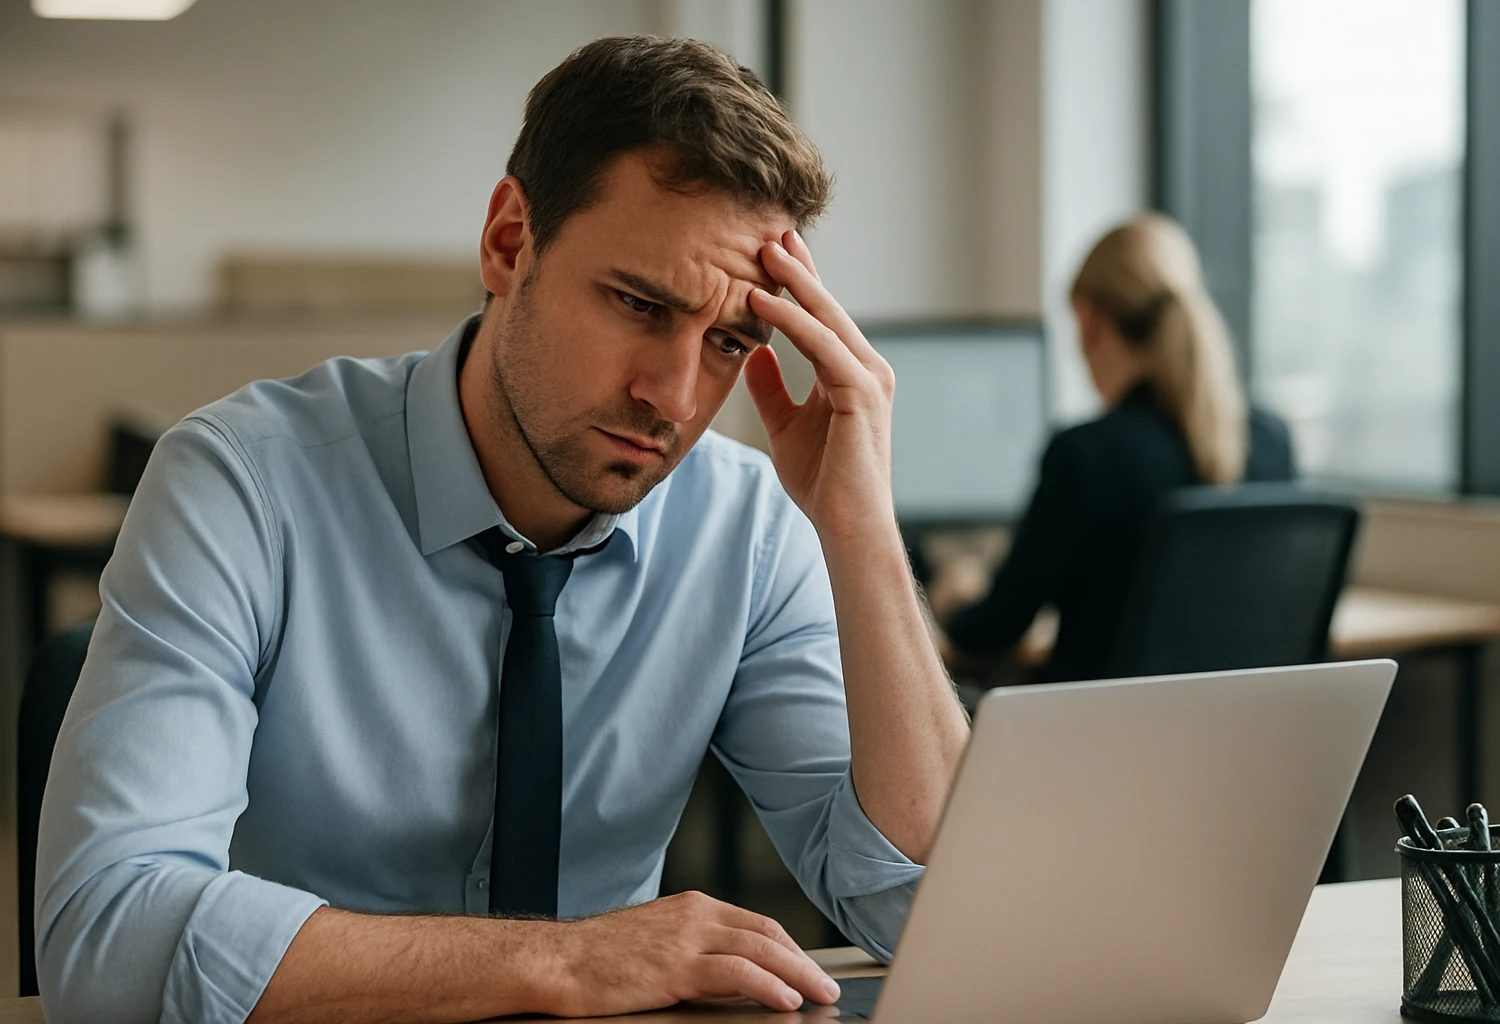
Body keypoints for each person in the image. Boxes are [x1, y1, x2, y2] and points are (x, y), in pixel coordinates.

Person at [35, 36, 970, 1024]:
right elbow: (109, 941)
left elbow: (934, 918)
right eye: (639, 303)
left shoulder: (749, 532)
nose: (674, 395)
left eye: (730, 342)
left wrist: (861, 530)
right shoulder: (244, 484)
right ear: (510, 241)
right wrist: (563, 962)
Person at [938, 214, 1295, 683]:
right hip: (1239, 726)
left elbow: (994, 631)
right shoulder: (1270, 441)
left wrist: (953, 600)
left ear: (1090, 321)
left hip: (1098, 728)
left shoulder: (1085, 456)